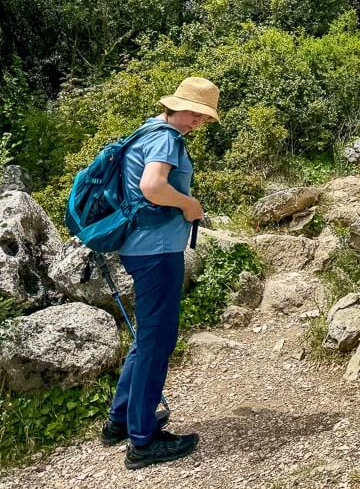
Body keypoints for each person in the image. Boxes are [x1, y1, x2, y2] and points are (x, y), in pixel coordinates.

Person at [101, 76, 220, 470]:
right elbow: (153, 186)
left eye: (203, 118)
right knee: (157, 341)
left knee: (147, 337)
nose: (197, 123)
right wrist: (189, 205)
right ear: (178, 106)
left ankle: (120, 421)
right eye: (196, 115)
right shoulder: (166, 137)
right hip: (157, 252)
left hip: (139, 248)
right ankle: (143, 441)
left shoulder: (145, 131)